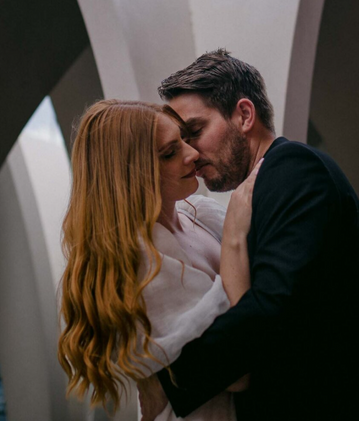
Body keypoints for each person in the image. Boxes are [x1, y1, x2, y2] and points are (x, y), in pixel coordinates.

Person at [140, 49, 359, 420]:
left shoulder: (294, 169)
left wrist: (168, 382)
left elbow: (272, 306)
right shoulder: (261, 189)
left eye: (196, 132)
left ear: (245, 115)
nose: (191, 153)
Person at [57, 99, 259, 420]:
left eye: (183, 140)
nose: (192, 154)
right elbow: (235, 370)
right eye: (169, 152)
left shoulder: (202, 216)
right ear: (127, 173)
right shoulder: (138, 261)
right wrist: (236, 242)